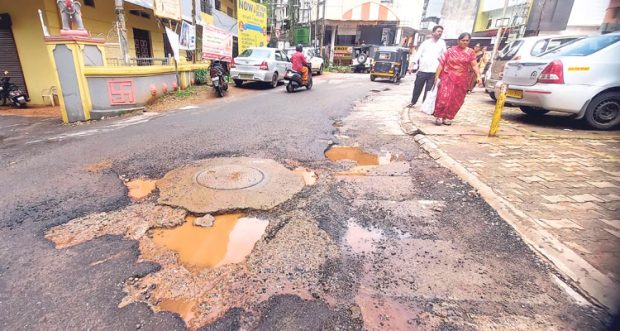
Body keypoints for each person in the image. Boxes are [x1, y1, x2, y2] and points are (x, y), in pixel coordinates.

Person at [433, 32, 482, 126]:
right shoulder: (450, 51)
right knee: (444, 96)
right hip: (447, 77)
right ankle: (439, 116)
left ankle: (448, 117)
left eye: (467, 40)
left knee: (456, 99)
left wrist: (479, 76)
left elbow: (474, 65)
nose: (465, 42)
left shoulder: (470, 52)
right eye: (463, 40)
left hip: (462, 80)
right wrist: (436, 77)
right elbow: (441, 64)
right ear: (458, 40)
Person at [408, 25, 447, 108]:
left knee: (429, 90)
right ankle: (413, 102)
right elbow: (418, 54)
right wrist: (412, 65)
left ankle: (424, 105)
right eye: (438, 31)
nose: (440, 33)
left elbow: (445, 56)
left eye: (441, 32)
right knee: (417, 87)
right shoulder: (425, 43)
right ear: (433, 32)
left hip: (434, 72)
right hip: (422, 70)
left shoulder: (442, 43)